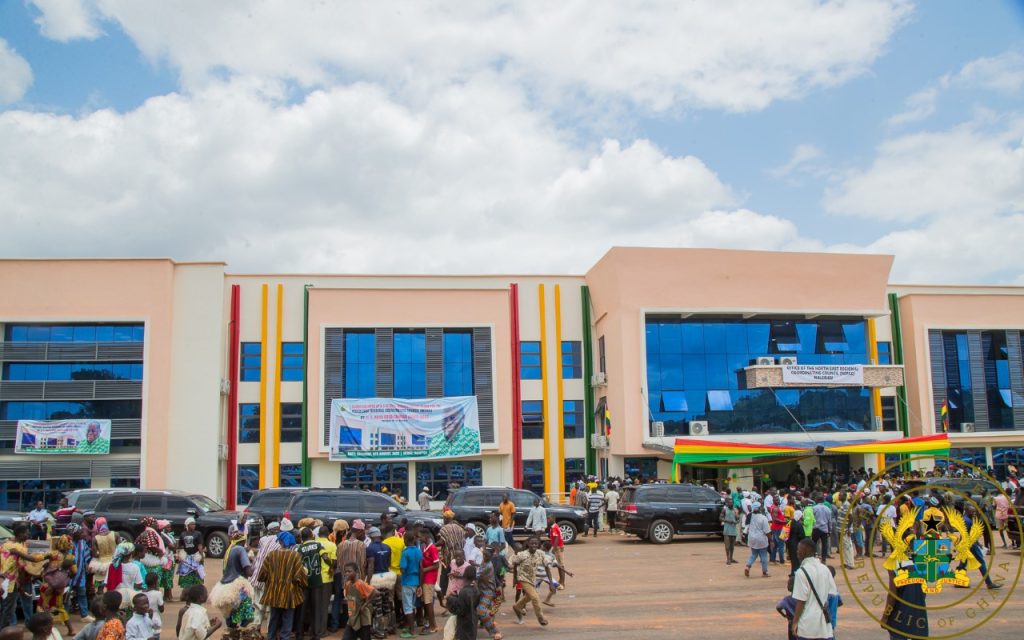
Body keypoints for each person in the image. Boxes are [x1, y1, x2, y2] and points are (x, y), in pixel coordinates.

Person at [258, 531, 307, 640]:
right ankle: (285, 638)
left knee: (274, 618)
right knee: (287, 619)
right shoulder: (295, 556)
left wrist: (269, 581)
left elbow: (262, 575)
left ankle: (271, 637)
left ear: (280, 542)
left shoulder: (271, 555)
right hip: (289, 595)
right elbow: (300, 577)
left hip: (274, 593)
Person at [209, 525, 255, 635]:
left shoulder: (230, 549)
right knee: (247, 616)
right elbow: (248, 571)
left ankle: (232, 631)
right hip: (238, 586)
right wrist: (254, 563)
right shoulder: (240, 550)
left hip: (226, 586)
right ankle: (244, 631)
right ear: (244, 540)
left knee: (231, 613)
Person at [790, 538, 838, 640]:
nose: (797, 551)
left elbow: (801, 601)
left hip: (807, 625)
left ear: (805, 551)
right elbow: (832, 593)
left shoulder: (801, 572)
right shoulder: (825, 569)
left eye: (799, 549)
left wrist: (794, 623)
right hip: (824, 626)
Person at [40, 534, 76, 637]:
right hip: (60, 587)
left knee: (44, 606)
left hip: (47, 585)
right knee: (59, 607)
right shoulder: (71, 558)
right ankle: (71, 629)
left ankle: (47, 631)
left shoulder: (53, 554)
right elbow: (74, 572)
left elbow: (38, 559)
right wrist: (65, 573)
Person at [882, 559, 927, 640]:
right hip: (919, 618)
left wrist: (885, 617)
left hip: (899, 618)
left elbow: (892, 596)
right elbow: (923, 592)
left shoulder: (893, 565)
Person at [510, 537, 549, 627]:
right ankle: (541, 618)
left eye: (536, 544)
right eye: (532, 543)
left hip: (532, 579)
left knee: (528, 597)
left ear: (538, 545)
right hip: (523, 579)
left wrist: (550, 582)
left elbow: (547, 567)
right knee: (535, 597)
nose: (534, 545)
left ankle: (517, 606)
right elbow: (515, 564)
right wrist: (515, 579)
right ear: (528, 544)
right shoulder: (522, 555)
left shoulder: (541, 554)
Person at [296, 528, 326, 640]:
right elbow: (325, 557)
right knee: (316, 609)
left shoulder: (300, 548)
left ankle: (300, 635)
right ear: (311, 535)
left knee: (302, 610)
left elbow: (297, 562)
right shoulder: (318, 545)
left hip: (304, 583)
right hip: (317, 582)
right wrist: (330, 565)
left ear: (302, 538)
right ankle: (315, 635)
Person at [251, 521, 282, 628]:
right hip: (269, 579)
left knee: (258, 605)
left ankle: (256, 629)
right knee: (269, 607)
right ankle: (270, 631)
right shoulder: (279, 542)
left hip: (257, 577)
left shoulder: (263, 539)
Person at [397, 532, 422, 638]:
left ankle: (412, 631)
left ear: (406, 540)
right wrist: (420, 583)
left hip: (407, 581)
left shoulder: (405, 552)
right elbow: (421, 568)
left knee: (407, 608)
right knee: (412, 605)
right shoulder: (418, 551)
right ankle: (412, 627)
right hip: (416, 581)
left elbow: (403, 568)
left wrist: (401, 570)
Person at [445, 565, 480, 640]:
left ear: (465, 576)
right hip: (473, 619)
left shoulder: (464, 591)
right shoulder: (476, 589)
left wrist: (450, 599)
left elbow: (460, 609)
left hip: (464, 622)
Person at [474, 547, 502, 640]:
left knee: (481, 611)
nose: (484, 557)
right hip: (482, 590)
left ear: (491, 556)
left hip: (487, 592)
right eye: (484, 555)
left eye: (487, 555)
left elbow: (475, 576)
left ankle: (495, 631)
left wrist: (459, 574)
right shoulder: (484, 562)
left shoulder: (488, 566)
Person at [436, 512, 465, 598]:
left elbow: (441, 542)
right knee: (458, 575)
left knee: (444, 576)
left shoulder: (444, 529)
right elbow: (464, 541)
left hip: (448, 557)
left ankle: (442, 594)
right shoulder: (460, 528)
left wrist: (433, 545)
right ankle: (459, 593)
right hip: (459, 557)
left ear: (446, 518)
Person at [418, 529, 439, 634]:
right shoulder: (423, 547)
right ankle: (432, 624)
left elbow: (436, 565)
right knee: (427, 603)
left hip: (429, 578)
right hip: (425, 578)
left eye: (420, 536)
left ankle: (432, 626)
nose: (419, 538)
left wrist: (424, 570)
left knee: (429, 603)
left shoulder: (433, 548)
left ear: (426, 537)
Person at [89, 519, 117, 596]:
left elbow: (95, 554)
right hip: (113, 562)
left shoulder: (95, 538)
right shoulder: (115, 534)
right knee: (112, 583)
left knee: (100, 584)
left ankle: (101, 599)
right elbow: (120, 548)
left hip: (100, 564)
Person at [744, 503, 771, 578]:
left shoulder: (750, 516)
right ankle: (764, 572)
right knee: (763, 556)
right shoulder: (763, 518)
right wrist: (771, 540)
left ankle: (747, 566)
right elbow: (767, 531)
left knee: (753, 554)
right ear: (759, 508)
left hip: (752, 538)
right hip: (761, 539)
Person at [177, 519, 205, 590]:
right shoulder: (183, 534)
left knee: (196, 575)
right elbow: (180, 546)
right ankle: (185, 593)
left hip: (195, 557)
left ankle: (196, 592)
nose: (194, 525)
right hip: (186, 558)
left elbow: (200, 545)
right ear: (187, 525)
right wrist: (178, 555)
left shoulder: (198, 534)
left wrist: (201, 556)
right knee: (186, 577)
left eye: (194, 524)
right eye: (192, 524)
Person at [546, 516, 567, 588]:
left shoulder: (554, 527)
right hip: (558, 546)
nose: (547, 520)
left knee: (561, 565)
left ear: (553, 519)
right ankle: (560, 580)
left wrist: (553, 548)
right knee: (558, 564)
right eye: (547, 519)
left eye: (549, 519)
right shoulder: (555, 526)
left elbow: (557, 538)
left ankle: (563, 583)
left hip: (557, 547)